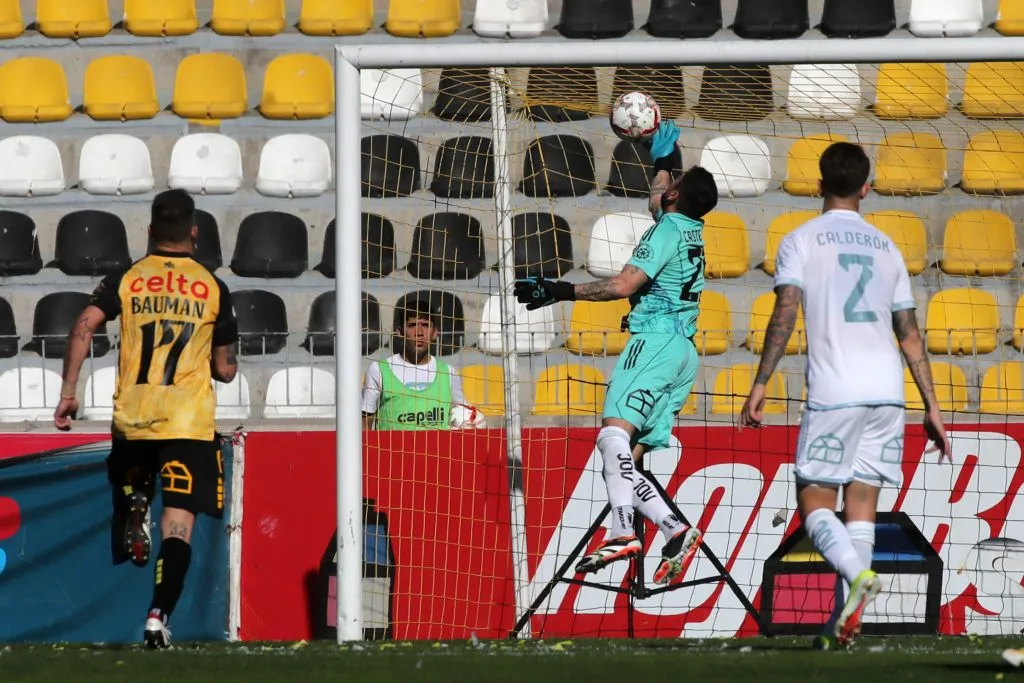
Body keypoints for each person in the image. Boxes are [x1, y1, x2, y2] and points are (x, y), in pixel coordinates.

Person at [739, 142, 951, 648]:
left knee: (814, 503)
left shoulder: (800, 240)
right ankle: (843, 623)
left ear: (818, 184)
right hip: (888, 393)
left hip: (836, 391)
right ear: (866, 188)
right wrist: (933, 404)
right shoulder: (887, 247)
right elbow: (909, 333)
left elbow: (786, 310)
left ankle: (857, 580)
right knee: (862, 506)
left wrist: (762, 380)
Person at [514, 121, 713, 584]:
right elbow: (657, 201)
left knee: (610, 438)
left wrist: (560, 290)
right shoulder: (690, 229)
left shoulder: (665, 232)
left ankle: (623, 531)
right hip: (684, 351)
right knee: (624, 457)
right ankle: (675, 529)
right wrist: (663, 162)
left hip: (654, 342)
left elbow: (624, 285)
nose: (666, 187)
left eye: (674, 183)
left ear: (677, 198)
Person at [53, 189, 239, 649]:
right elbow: (224, 369)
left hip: (135, 418)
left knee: (132, 478)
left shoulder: (129, 278)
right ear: (195, 232)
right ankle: (157, 618)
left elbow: (83, 325)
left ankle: (136, 495)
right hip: (188, 424)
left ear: (151, 231)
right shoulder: (213, 287)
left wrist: (69, 393)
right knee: (179, 527)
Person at [362, 298, 467, 430]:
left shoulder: (448, 373)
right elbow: (365, 423)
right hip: (392, 451)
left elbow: (464, 414)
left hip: (436, 451)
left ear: (435, 332)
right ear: (399, 331)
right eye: (412, 325)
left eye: (425, 325)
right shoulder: (379, 370)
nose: (419, 332)